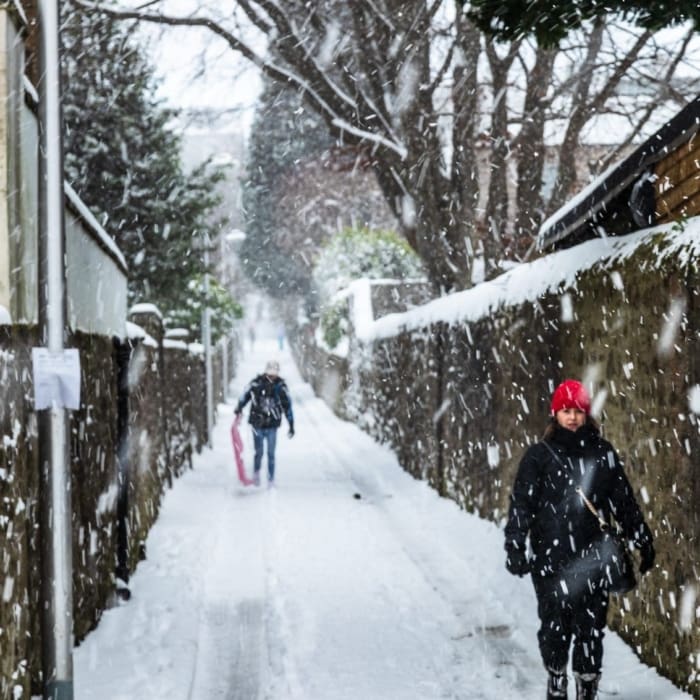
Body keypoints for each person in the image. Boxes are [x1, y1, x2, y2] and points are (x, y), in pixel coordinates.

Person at [504, 379, 655, 700]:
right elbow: (521, 506)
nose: (572, 417)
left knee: (590, 630)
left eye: (578, 411)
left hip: (593, 559)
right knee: (554, 628)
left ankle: (587, 686)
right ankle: (556, 678)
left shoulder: (602, 453)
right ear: (555, 414)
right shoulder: (538, 457)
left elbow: (623, 502)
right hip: (550, 560)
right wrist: (515, 546)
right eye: (566, 410)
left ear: (587, 414)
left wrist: (641, 538)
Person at [234, 360, 294, 487]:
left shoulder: (281, 387)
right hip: (258, 424)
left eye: (274, 374)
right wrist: (239, 407)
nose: (272, 377)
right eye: (270, 374)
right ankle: (256, 473)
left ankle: (271, 478)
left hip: (272, 425)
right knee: (259, 452)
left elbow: (287, 406)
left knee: (271, 454)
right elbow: (245, 395)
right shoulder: (257, 384)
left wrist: (291, 424)